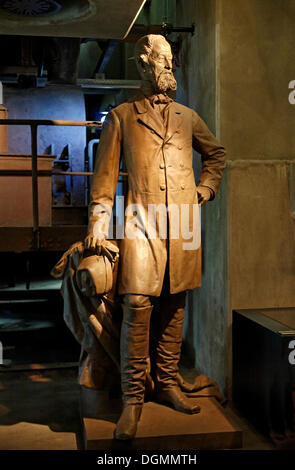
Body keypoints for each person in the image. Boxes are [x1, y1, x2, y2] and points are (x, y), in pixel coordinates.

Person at [84, 34, 226, 440]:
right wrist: (97, 224)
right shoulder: (122, 117)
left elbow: (216, 154)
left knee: (176, 303)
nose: (169, 67)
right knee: (137, 303)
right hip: (140, 220)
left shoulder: (188, 116)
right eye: (161, 61)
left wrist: (205, 189)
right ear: (144, 67)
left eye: (170, 60)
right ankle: (132, 398)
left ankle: (167, 383)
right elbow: (104, 180)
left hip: (183, 223)